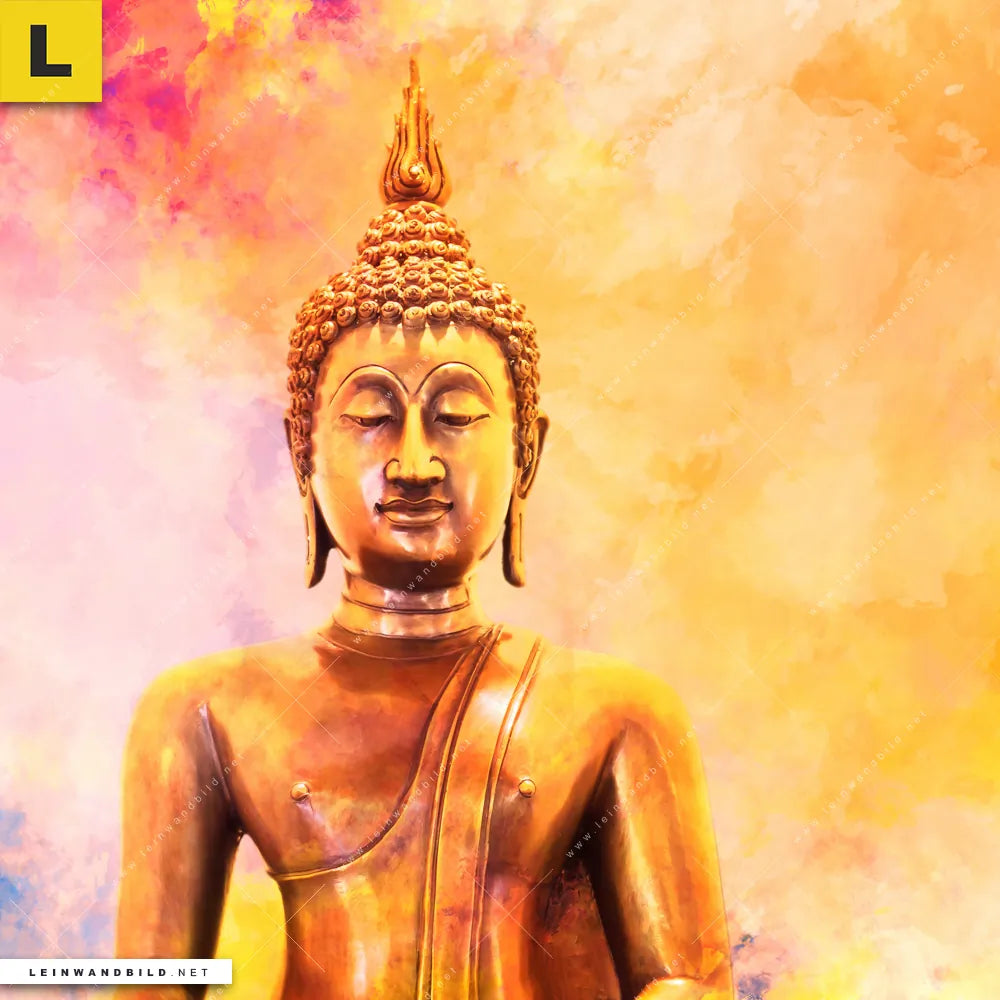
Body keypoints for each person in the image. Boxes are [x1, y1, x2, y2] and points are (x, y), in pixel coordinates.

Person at [114, 60, 734, 1000]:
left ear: (526, 454)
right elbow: (146, 983)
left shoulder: (618, 713)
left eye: (456, 414)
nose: (412, 461)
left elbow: (688, 984)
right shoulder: (203, 711)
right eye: (370, 415)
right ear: (302, 452)